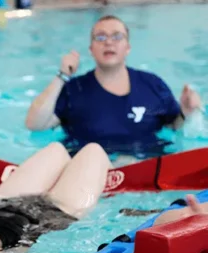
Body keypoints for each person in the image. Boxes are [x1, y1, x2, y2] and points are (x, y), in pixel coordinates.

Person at [25, 15, 202, 159]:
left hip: (146, 168)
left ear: (128, 47)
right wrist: (62, 76)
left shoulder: (152, 85)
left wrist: (185, 112)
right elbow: (35, 124)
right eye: (100, 37)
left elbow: (174, 125)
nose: (108, 42)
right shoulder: (73, 89)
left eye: (117, 36)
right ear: (91, 49)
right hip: (88, 173)